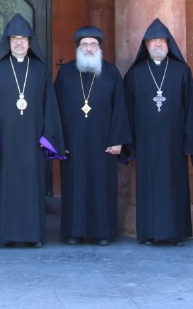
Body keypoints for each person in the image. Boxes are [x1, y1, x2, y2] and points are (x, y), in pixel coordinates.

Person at [0, 14, 65, 248]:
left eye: (23, 39)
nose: (19, 43)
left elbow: (50, 105)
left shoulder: (39, 70)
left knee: (31, 189)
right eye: (14, 39)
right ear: (8, 43)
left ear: (30, 42)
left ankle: (33, 236)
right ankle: (3, 236)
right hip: (5, 145)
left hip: (32, 143)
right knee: (4, 189)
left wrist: (47, 137)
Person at [123, 18, 193, 246]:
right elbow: (126, 110)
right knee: (149, 187)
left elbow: (191, 108)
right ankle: (149, 233)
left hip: (174, 143)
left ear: (169, 44)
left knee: (175, 187)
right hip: (146, 142)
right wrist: (127, 142)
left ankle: (176, 233)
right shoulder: (135, 74)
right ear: (146, 45)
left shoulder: (181, 71)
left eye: (162, 40)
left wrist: (191, 142)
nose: (158, 44)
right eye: (153, 41)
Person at [54, 26, 128, 246]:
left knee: (101, 186)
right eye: (84, 45)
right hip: (72, 143)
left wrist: (117, 140)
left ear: (99, 48)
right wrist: (59, 141)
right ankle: (73, 232)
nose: (88, 48)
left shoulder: (111, 72)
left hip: (103, 143)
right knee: (73, 186)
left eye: (93, 45)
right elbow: (54, 109)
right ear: (78, 48)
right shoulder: (66, 72)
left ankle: (102, 232)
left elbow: (121, 108)